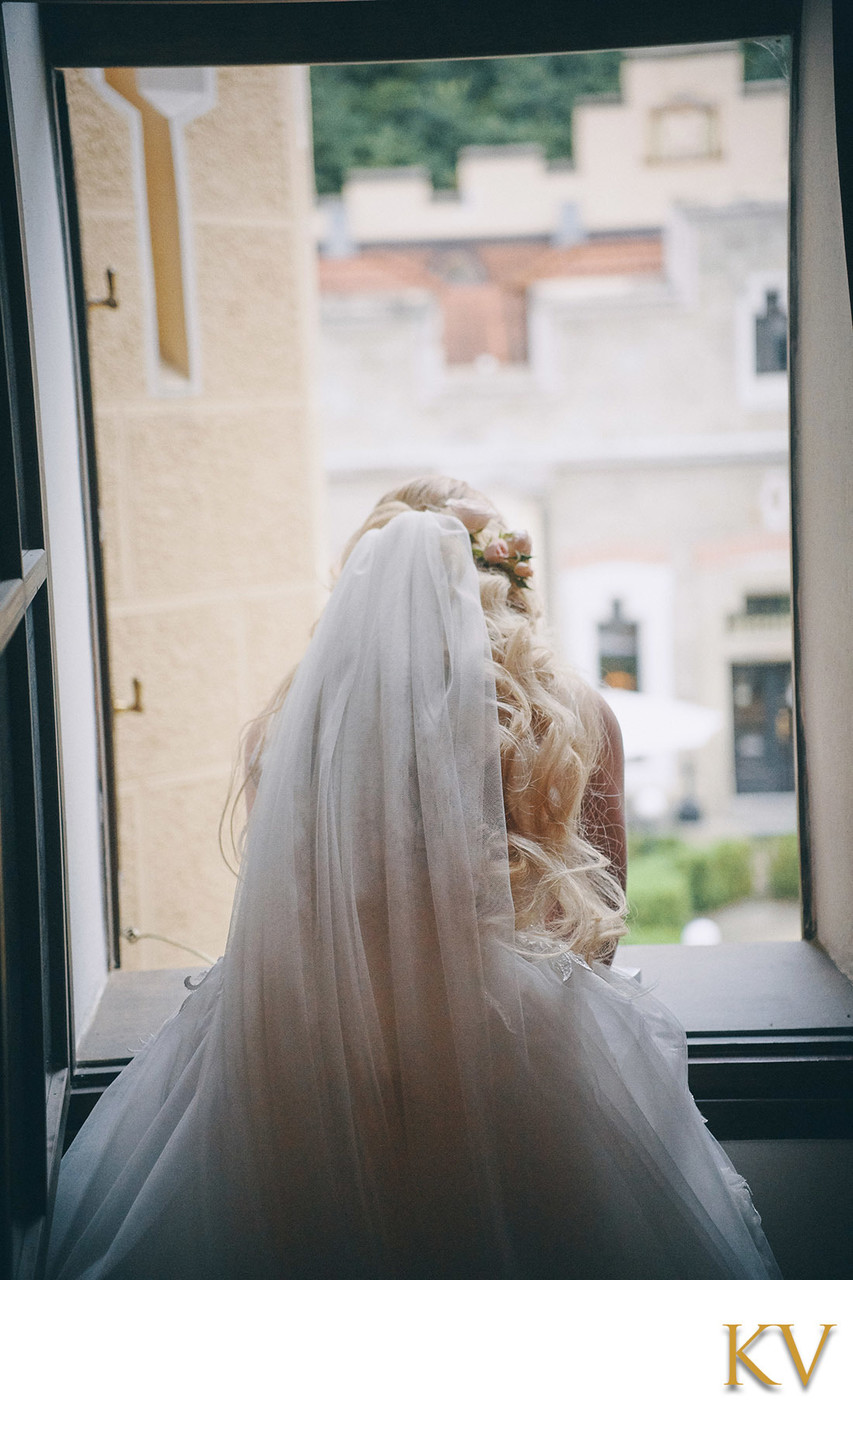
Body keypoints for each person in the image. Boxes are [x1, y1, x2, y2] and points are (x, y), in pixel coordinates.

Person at [47, 479, 780, 1278]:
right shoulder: (574, 718)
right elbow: (596, 941)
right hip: (523, 1085)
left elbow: (280, 925)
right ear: (508, 584)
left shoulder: (288, 731)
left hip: (310, 1074)